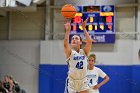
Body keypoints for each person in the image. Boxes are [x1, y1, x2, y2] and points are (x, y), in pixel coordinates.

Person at [64, 18, 93, 93]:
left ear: (80, 42)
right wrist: (67, 31)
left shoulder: (84, 52)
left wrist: (84, 28)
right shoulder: (70, 52)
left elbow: (89, 42)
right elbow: (65, 44)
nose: (74, 39)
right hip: (72, 82)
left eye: (76, 38)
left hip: (83, 81)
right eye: (72, 38)